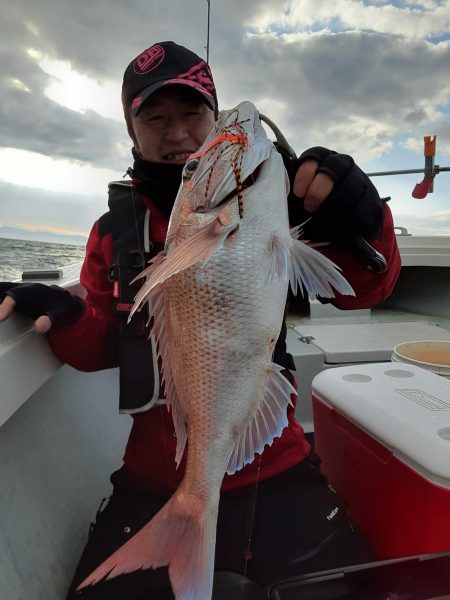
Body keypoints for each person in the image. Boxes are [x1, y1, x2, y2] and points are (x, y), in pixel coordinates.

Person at [0, 41, 401, 599]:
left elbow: (368, 287)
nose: (177, 133)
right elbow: (101, 348)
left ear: (213, 119)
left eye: (192, 113)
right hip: (154, 472)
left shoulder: (277, 207)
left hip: (274, 458)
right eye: (155, 118)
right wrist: (67, 314)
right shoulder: (113, 231)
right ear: (131, 132)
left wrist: (364, 220)